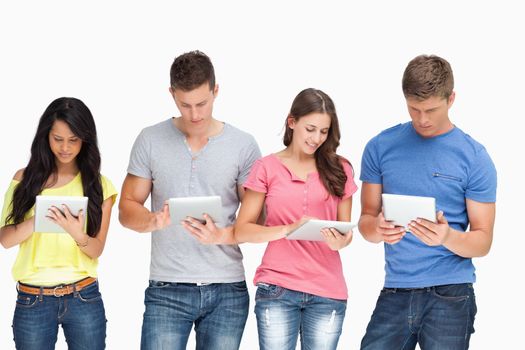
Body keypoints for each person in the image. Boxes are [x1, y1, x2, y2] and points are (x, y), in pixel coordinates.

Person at [118, 50, 261, 350]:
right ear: (171, 94)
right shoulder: (150, 139)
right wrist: (153, 220)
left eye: (202, 103)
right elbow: (127, 208)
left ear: (215, 90)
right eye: (185, 105)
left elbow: (256, 220)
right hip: (167, 288)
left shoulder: (243, 145)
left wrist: (222, 233)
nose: (195, 114)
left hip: (226, 289)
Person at [359, 55, 497, 349]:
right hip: (396, 289)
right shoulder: (379, 147)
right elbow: (366, 222)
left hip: (451, 293)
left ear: (451, 99)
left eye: (431, 109)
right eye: (414, 108)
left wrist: (446, 236)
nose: (422, 119)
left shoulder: (474, 157)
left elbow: (483, 241)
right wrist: (378, 229)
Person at [234, 88, 357, 350]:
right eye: (310, 129)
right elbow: (241, 231)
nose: (316, 138)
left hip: (328, 290)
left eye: (324, 131)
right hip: (278, 288)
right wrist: (288, 229)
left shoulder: (340, 168)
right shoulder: (266, 167)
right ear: (292, 122)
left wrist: (341, 242)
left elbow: (346, 232)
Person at [0, 97, 117, 350]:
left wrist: (78, 233)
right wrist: (38, 219)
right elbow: (6, 240)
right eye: (58, 139)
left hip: (84, 297)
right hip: (33, 299)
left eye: (73, 140)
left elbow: (96, 249)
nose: (65, 147)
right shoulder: (24, 179)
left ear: (85, 139)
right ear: (46, 137)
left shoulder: (99, 185)